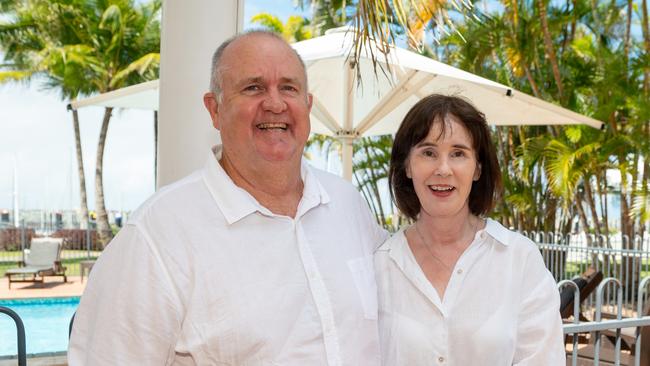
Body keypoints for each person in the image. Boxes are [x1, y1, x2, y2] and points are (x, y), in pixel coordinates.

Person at [68, 31, 387, 365]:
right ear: (215, 109)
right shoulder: (157, 235)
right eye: (253, 88)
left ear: (307, 106)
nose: (275, 104)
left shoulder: (348, 204)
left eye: (289, 88)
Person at [375, 94, 565, 365]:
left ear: (477, 168)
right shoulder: (381, 265)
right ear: (407, 166)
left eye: (458, 153)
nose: (443, 169)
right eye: (428, 152)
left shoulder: (518, 259)